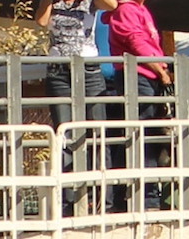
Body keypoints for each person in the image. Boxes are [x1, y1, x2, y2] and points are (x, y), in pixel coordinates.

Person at [105, 0, 171, 210]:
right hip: (137, 77)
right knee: (142, 136)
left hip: (148, 76)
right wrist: (161, 70)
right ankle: (144, 198)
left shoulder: (141, 9)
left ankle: (139, 196)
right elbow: (136, 43)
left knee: (146, 136)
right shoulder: (126, 10)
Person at [35, 0, 118, 128]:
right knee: (63, 126)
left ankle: (96, 148)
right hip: (58, 68)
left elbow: (112, 5)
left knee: (97, 125)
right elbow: (41, 21)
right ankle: (65, 148)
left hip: (88, 67)